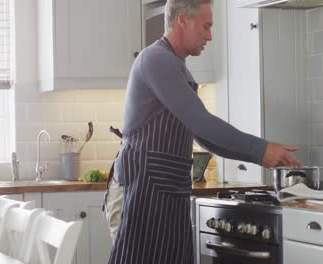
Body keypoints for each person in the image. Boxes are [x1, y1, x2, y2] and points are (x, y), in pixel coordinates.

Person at [104, 0, 302, 263]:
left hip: (165, 190)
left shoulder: (176, 65)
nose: (209, 36)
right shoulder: (156, 59)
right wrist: (262, 149)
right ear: (183, 19)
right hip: (141, 189)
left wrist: (260, 155)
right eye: (206, 26)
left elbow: (204, 135)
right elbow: (201, 122)